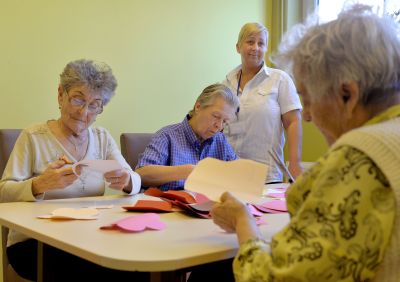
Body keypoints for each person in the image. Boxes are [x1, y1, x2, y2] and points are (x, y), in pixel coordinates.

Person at [191, 4, 400, 282]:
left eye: (309, 98)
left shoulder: (358, 158)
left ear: (347, 95)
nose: (309, 116)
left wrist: (243, 221)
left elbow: (271, 277)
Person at [0, 59, 145, 281]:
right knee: (93, 269)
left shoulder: (102, 138)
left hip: (87, 237)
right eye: (78, 99)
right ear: (60, 94)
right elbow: (3, 193)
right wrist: (40, 185)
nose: (84, 112)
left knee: (136, 265)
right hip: (34, 243)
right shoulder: (33, 137)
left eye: (94, 104)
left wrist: (126, 181)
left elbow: (134, 180)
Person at [223, 22, 303, 183]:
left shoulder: (280, 79)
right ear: (238, 47)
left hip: (266, 176)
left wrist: (295, 163)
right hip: (229, 174)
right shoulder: (226, 82)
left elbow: (293, 122)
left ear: (265, 49)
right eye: (250, 42)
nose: (255, 48)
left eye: (261, 44)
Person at [136, 83, 239, 191]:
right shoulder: (167, 136)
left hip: (210, 206)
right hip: (174, 206)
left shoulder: (220, 140)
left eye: (225, 121)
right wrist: (188, 171)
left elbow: (238, 173)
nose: (219, 125)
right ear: (198, 107)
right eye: (216, 116)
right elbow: (141, 174)